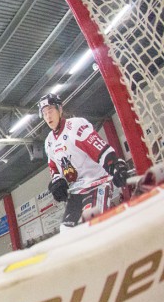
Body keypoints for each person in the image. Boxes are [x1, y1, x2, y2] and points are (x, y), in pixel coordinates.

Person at [39, 92, 130, 229]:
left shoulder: (74, 126)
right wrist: (57, 181)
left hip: (97, 183)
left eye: (50, 110)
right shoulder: (49, 142)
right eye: (44, 113)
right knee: (67, 232)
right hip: (76, 192)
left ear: (60, 109)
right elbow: (53, 167)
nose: (48, 116)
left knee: (92, 224)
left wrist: (114, 165)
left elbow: (97, 147)